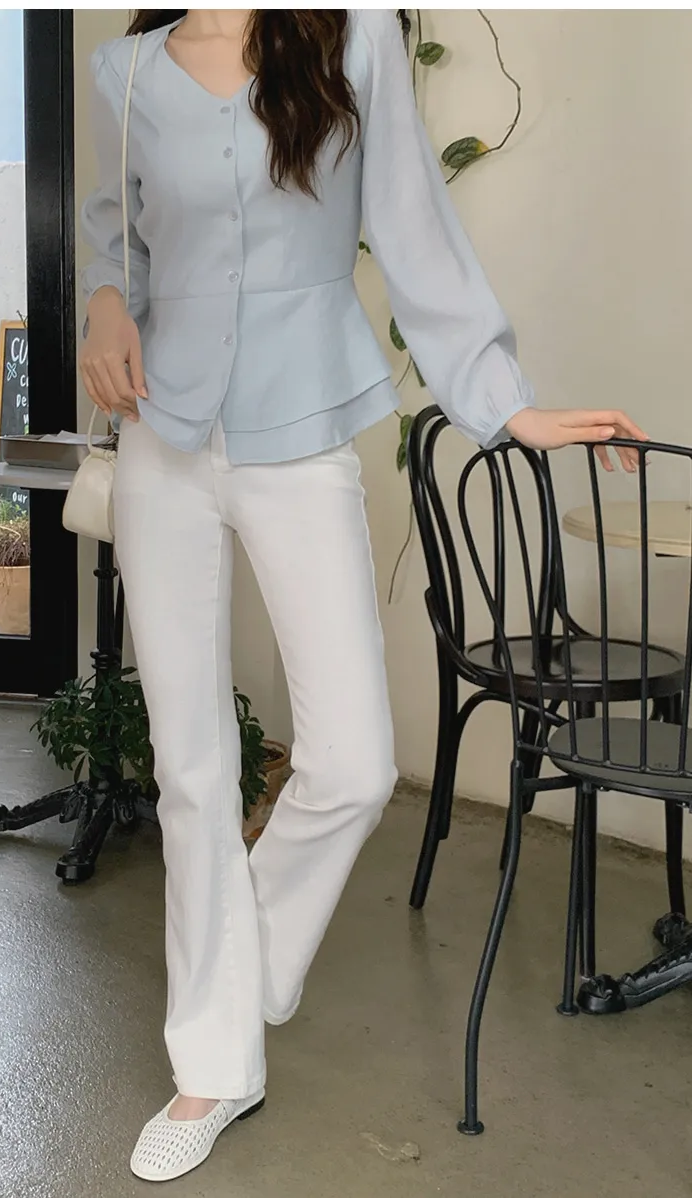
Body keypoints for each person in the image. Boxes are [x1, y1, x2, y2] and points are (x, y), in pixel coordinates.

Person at [78, 9, 645, 1184]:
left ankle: (235, 974)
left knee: (351, 760)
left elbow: (412, 223)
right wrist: (105, 301)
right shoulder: (124, 71)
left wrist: (501, 402)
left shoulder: (350, 39)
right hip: (159, 440)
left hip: (299, 426)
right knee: (189, 769)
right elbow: (116, 230)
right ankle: (211, 1067)